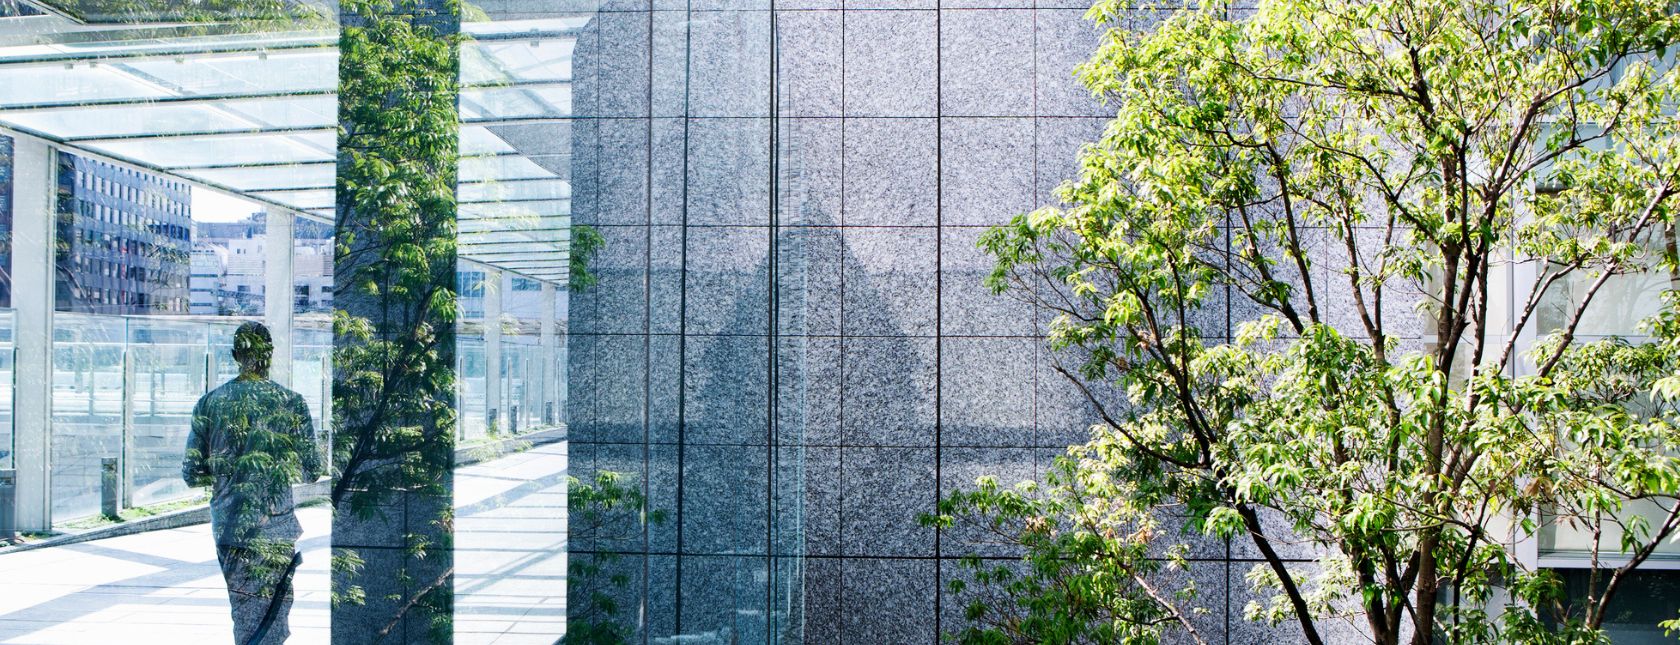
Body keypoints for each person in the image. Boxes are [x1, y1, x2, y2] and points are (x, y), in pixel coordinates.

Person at [183, 321, 322, 645]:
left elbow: (191, 474)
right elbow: (311, 470)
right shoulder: (291, 402)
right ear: (270, 354)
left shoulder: (209, 403)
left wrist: (227, 471)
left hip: (230, 525)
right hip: (275, 527)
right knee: (273, 617)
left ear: (235, 355)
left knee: (244, 615)